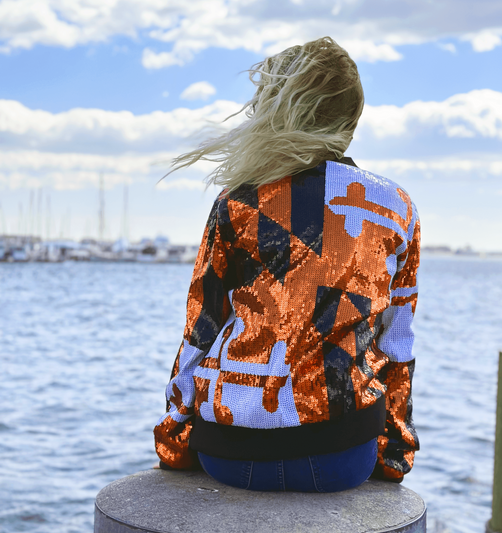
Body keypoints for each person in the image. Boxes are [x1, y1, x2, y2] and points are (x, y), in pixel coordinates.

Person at [154, 36, 420, 492]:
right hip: (344, 456)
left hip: (230, 454)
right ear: (350, 122)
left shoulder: (238, 201)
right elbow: (397, 345)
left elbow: (200, 332)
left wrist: (174, 445)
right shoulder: (396, 207)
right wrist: (394, 457)